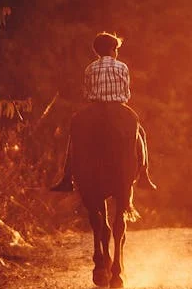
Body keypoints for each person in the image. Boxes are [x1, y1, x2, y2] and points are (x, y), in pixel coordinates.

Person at [50, 32, 156, 192]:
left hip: (95, 107)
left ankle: (67, 176)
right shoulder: (122, 67)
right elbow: (126, 92)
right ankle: (144, 174)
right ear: (113, 50)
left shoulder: (90, 68)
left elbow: (86, 93)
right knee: (140, 131)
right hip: (118, 106)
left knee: (75, 133)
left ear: (97, 51)